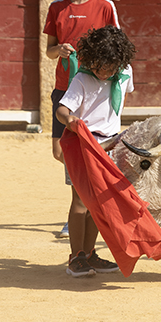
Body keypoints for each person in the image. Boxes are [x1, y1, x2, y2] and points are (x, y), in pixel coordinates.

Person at [44, 0, 121, 239]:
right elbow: (49, 50)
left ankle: (79, 208)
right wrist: (59, 50)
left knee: (89, 149)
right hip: (65, 87)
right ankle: (82, 202)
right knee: (60, 151)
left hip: (94, 88)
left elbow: (117, 45)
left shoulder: (104, 6)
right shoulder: (56, 8)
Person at [55, 25, 136, 277]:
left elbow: (124, 96)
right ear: (91, 59)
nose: (104, 72)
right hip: (83, 144)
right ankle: (76, 257)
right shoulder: (82, 78)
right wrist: (71, 122)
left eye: (110, 67)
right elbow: (62, 109)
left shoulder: (124, 73)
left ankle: (89, 253)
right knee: (80, 202)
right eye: (99, 65)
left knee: (99, 203)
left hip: (111, 145)